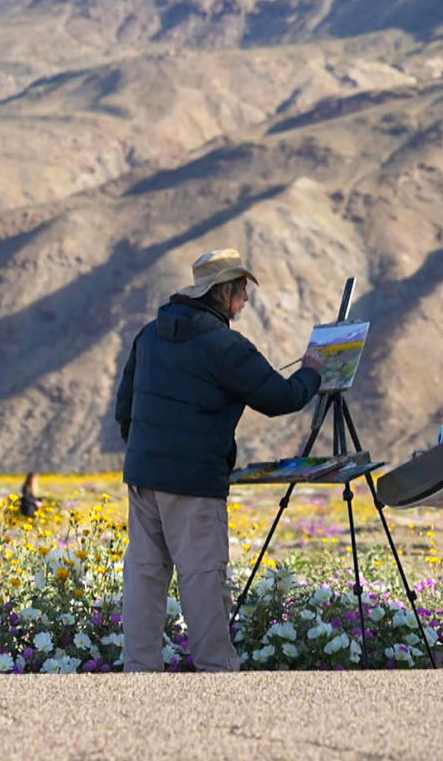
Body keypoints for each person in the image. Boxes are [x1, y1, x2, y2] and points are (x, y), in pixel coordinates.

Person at [115, 247, 325, 672]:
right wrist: (312, 372)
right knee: (203, 577)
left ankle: (139, 669)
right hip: (192, 482)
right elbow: (280, 398)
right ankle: (215, 672)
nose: (246, 299)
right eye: (243, 290)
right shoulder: (224, 345)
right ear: (224, 291)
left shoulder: (150, 335)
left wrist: (149, 455)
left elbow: (125, 410)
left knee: (145, 574)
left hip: (143, 477)